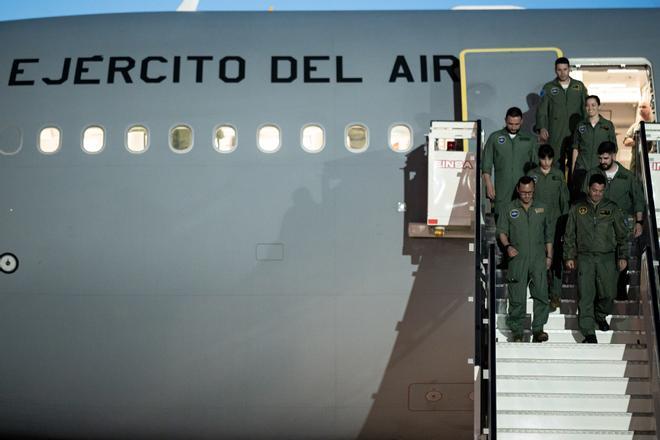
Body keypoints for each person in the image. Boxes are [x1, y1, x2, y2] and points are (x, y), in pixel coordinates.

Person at [564, 174, 629, 343]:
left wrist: (622, 255)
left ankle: (599, 315)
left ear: (604, 190)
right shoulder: (577, 208)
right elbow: (569, 234)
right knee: (586, 295)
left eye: (600, 191)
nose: (597, 194)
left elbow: (622, 235)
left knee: (608, 293)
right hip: (585, 257)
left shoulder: (612, 208)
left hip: (607, 257)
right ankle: (588, 332)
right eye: (594, 190)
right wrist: (569, 255)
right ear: (588, 189)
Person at [583, 141, 645, 299]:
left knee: (622, 257)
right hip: (598, 226)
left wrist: (639, 222)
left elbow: (638, 200)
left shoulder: (627, 176)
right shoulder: (592, 174)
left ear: (613, 156)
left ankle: (620, 292)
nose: (602, 161)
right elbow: (584, 198)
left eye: (605, 158)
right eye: (600, 158)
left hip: (621, 226)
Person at [497, 176, 554, 342]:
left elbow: (548, 235)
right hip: (518, 258)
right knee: (517, 296)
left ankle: (538, 330)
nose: (527, 195)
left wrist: (549, 256)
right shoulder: (509, 209)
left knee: (541, 295)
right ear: (518, 190)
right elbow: (502, 231)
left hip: (538, 258)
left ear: (534, 190)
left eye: (529, 192)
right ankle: (517, 332)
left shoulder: (542, 208)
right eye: (523, 192)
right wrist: (507, 246)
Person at [527, 144, 570, 310]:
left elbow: (564, 200)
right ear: (538, 158)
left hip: (556, 223)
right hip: (537, 223)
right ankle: (542, 293)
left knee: (556, 260)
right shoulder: (532, 175)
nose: (546, 162)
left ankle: (556, 295)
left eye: (549, 158)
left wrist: (566, 223)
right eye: (543, 158)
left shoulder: (558, 175)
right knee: (539, 260)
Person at [482, 107, 538, 215]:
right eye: (510, 123)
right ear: (505, 120)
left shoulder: (530, 139)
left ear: (521, 121)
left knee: (521, 223)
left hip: (523, 192)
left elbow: (536, 168)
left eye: (516, 124)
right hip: (502, 189)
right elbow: (486, 165)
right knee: (500, 220)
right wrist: (489, 186)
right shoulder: (495, 138)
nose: (513, 127)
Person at [536, 57, 588, 173]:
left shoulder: (579, 86)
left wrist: (586, 127)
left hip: (575, 130)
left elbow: (585, 108)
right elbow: (542, 110)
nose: (562, 72)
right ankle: (557, 188)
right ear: (555, 70)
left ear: (569, 69)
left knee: (575, 162)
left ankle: (573, 190)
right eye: (559, 70)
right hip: (556, 131)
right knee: (555, 161)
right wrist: (542, 127)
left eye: (565, 69)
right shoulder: (548, 87)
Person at [571, 95, 616, 199]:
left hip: (600, 169)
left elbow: (613, 151)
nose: (590, 108)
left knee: (599, 200)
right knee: (580, 200)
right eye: (587, 105)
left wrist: (611, 171)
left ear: (598, 106)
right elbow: (575, 149)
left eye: (593, 105)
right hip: (582, 168)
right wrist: (573, 171)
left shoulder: (608, 125)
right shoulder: (580, 125)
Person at [623, 101, 655, 173]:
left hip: (651, 160)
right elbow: (626, 142)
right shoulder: (635, 126)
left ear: (650, 109)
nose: (641, 109)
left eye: (644, 107)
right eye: (639, 107)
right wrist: (638, 141)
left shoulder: (654, 124)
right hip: (636, 162)